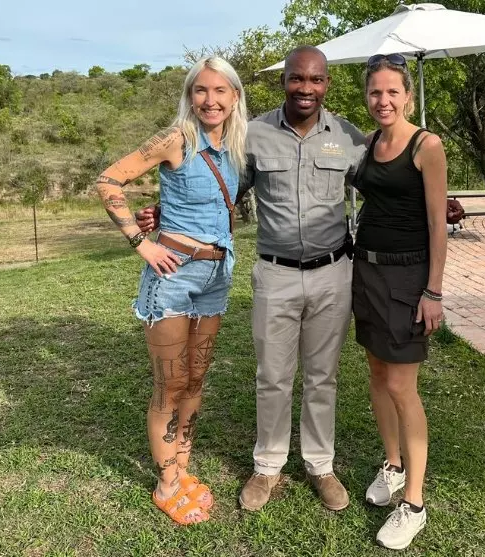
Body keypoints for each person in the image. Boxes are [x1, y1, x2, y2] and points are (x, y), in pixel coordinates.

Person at [137, 46, 368, 512]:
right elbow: (216, 188)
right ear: (283, 81)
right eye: (297, 78)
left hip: (333, 273)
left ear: (327, 84)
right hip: (275, 274)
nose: (306, 88)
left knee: (322, 377)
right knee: (272, 376)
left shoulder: (348, 136)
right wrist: (166, 212)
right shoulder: (252, 134)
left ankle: (320, 465)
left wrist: (434, 200)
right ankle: (267, 466)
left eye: (316, 79)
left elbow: (382, 185)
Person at [95, 56, 247, 525]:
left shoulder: (234, 147)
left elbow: (201, 199)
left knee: (196, 379)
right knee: (171, 383)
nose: (210, 100)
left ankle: (180, 466)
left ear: (234, 97)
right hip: (174, 276)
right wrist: (141, 243)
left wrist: (160, 209)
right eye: (201, 90)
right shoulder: (176, 138)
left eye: (220, 91)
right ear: (190, 96)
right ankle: (166, 484)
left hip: (216, 276)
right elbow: (108, 180)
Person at [351, 53, 448, 550]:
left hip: (408, 276)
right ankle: (392, 464)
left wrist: (432, 291)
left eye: (392, 91)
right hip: (365, 270)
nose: (383, 100)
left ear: (407, 95)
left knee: (401, 385)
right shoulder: (369, 143)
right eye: (375, 92)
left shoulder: (426, 146)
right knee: (376, 374)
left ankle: (414, 503)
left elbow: (437, 223)